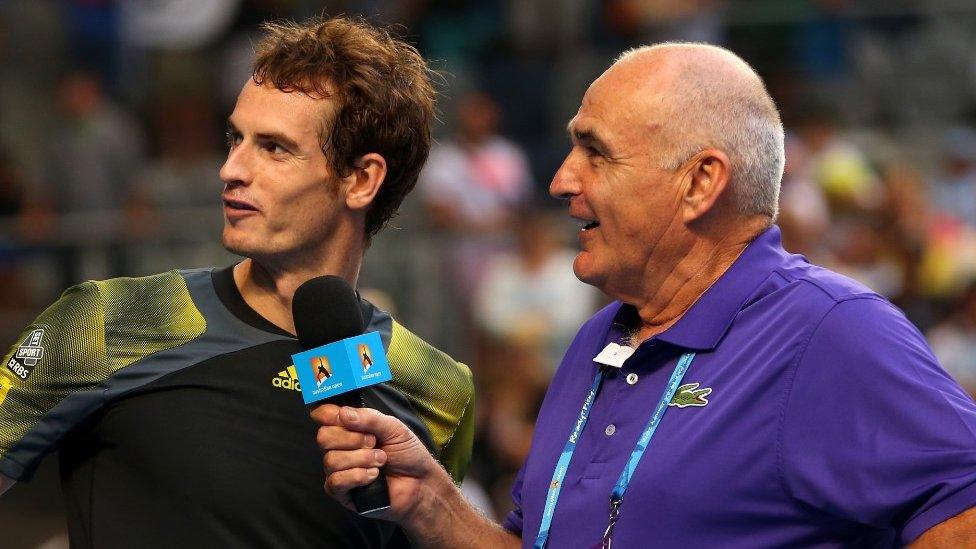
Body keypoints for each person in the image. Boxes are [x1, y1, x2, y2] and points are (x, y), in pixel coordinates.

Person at [312, 43, 976, 547]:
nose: (561, 181)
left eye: (594, 153)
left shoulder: (829, 332)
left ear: (700, 182)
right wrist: (433, 502)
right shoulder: (596, 339)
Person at [0, 16, 474, 549]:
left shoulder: (437, 388)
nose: (230, 169)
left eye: (273, 148)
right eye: (236, 138)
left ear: (361, 179)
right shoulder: (110, 321)